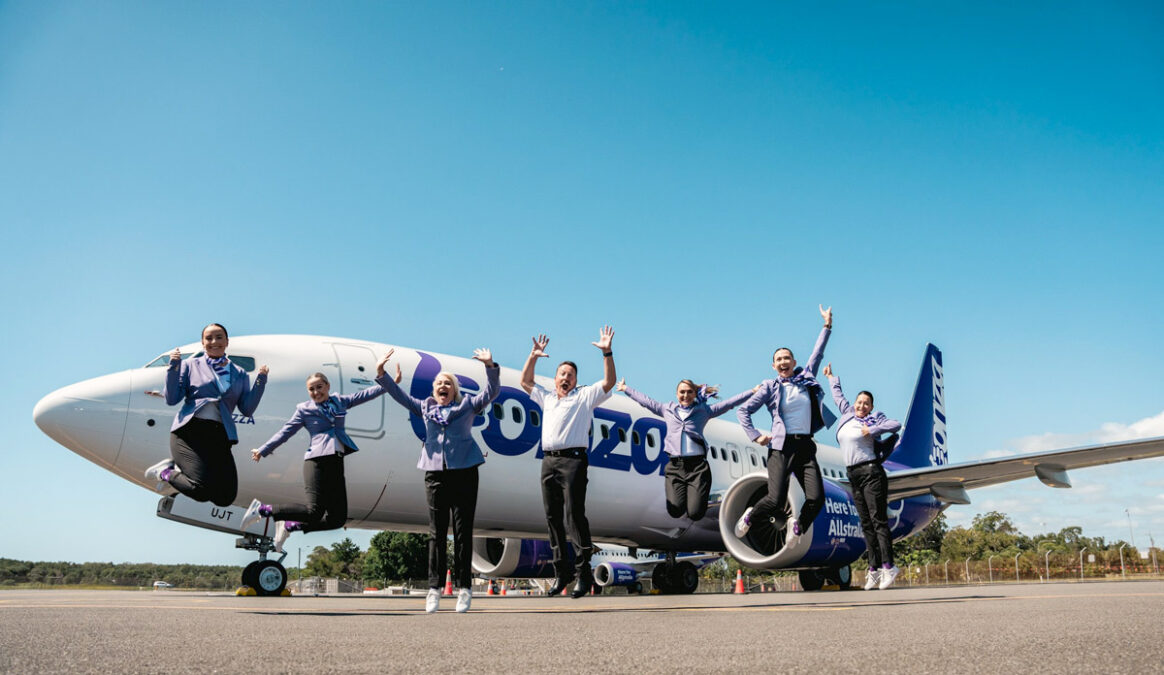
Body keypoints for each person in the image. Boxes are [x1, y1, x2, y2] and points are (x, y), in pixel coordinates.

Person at [377, 348, 501, 613]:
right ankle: (434, 590)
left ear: (454, 390)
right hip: (434, 472)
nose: (442, 386)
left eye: (447, 383)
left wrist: (490, 366)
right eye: (438, 383)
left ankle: (464, 589)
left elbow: (491, 392)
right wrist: (382, 375)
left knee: (462, 531)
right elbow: (400, 397)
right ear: (434, 390)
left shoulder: (466, 405)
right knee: (436, 532)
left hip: (465, 470)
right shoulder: (425, 407)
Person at [240, 350, 399, 555]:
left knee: (336, 518)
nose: (316, 392)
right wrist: (263, 450)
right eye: (311, 389)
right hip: (316, 461)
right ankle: (262, 510)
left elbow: (366, 394)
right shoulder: (304, 409)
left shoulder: (339, 401)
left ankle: (290, 526)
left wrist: (389, 383)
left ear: (327, 387)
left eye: (319, 387)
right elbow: (285, 432)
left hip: (336, 460)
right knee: (314, 510)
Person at [520, 326, 616, 599]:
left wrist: (607, 352)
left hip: (573, 461)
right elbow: (526, 382)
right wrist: (533, 356)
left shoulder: (584, 397)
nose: (566, 378)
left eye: (571, 375)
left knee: (574, 516)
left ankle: (584, 574)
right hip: (548, 461)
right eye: (562, 374)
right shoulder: (547, 398)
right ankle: (561, 572)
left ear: (575, 380)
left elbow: (609, 382)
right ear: (555, 378)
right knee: (552, 518)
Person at [735, 305, 837, 550]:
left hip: (805, 446)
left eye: (786, 358)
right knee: (775, 501)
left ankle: (798, 526)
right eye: (778, 359)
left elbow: (818, 353)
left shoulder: (806, 378)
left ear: (794, 362)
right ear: (774, 366)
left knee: (816, 498)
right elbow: (743, 411)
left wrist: (827, 326)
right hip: (781, 447)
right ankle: (750, 515)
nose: (783, 362)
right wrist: (755, 435)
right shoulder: (770, 387)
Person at [145, 323, 268, 507]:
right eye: (208, 338)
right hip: (190, 431)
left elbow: (247, 409)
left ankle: (172, 473)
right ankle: (165, 473)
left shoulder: (240, 373)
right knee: (200, 489)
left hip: (219, 435)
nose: (214, 341)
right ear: (202, 343)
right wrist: (174, 368)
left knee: (226, 497)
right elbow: (171, 399)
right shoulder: (190, 365)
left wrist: (260, 381)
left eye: (219, 337)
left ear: (227, 342)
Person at [618, 379, 757, 523]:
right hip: (675, 466)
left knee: (695, 513)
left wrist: (752, 392)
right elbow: (646, 401)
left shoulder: (703, 411)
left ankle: (698, 499)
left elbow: (729, 403)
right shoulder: (667, 409)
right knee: (675, 510)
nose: (685, 395)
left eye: (689, 392)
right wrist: (626, 389)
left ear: (695, 393)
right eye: (682, 392)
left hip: (698, 467)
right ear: (677, 394)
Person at [822, 362, 902, 590]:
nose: (861, 406)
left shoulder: (873, 419)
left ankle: (889, 567)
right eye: (859, 402)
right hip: (852, 475)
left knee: (878, 522)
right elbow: (838, 396)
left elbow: (895, 425)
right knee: (865, 524)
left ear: (871, 407)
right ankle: (873, 570)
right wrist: (830, 377)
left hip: (871, 472)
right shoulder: (848, 415)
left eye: (866, 403)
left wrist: (873, 430)